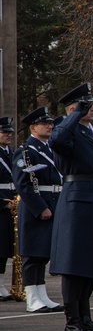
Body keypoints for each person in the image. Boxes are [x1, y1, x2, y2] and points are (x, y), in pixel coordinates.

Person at [49, 83, 93, 331]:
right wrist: (75, 114)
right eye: (87, 105)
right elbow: (57, 139)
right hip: (78, 199)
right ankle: (72, 322)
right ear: (75, 108)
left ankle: (85, 318)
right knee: (74, 264)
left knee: (89, 262)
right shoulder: (69, 128)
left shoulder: (91, 131)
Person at [13, 107, 64, 313]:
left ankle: (42, 294)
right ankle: (32, 297)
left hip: (53, 202)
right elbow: (23, 184)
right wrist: (40, 207)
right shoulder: (26, 151)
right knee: (33, 254)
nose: (50, 126)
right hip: (37, 205)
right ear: (33, 128)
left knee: (43, 254)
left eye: (51, 123)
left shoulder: (49, 149)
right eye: (45, 124)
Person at [0, 117, 16, 301]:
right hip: (2, 203)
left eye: (10, 132)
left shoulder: (11, 153)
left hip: (12, 202)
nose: (8, 135)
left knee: (5, 248)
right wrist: (3, 203)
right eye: (4, 132)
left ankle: (1, 283)